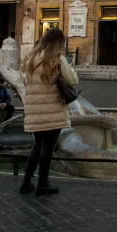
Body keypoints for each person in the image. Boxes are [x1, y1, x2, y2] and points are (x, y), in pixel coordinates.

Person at [19, 28, 78, 196]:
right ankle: (43, 184)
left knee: (37, 146)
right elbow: (73, 80)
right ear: (59, 43)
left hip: (34, 109)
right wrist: (71, 68)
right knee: (47, 148)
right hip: (52, 109)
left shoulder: (30, 59)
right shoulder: (57, 59)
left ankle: (26, 182)